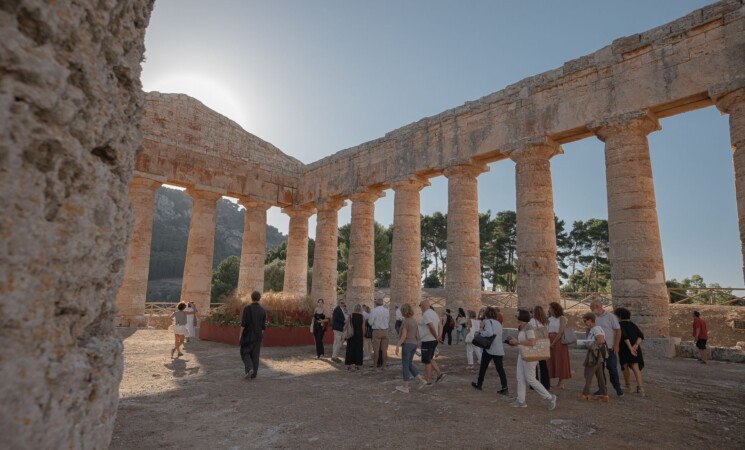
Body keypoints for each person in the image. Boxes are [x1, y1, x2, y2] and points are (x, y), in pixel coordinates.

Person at [507, 309, 557, 410]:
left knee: (530, 378)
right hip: (523, 354)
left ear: (522, 316)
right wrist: (515, 343)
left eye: (517, 315)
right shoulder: (522, 327)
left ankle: (550, 397)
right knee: (520, 377)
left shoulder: (528, 327)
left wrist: (517, 342)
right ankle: (521, 401)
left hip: (530, 355)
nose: (516, 316)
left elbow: (532, 342)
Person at [471, 307, 508, 395]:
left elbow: (489, 333)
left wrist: (480, 333)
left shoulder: (488, 322)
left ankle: (479, 384)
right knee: (500, 369)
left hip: (489, 348)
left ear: (487, 314)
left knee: (483, 367)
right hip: (498, 348)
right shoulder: (498, 323)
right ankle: (505, 387)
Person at [591, 300, 623, 396]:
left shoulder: (610, 317)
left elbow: (618, 330)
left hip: (610, 347)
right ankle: (602, 389)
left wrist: (616, 345)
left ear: (598, 306)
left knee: (612, 367)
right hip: (597, 347)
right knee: (599, 369)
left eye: (592, 308)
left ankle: (617, 388)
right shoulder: (592, 317)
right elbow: (589, 329)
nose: (591, 310)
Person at [394, 303, 426, 393]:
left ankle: (405, 386)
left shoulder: (405, 321)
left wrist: (397, 345)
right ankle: (421, 380)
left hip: (407, 344)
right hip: (414, 344)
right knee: (409, 364)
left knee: (405, 365)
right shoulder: (414, 320)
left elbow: (403, 336)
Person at [577, 312, 609, 402]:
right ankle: (604, 394)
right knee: (600, 376)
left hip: (594, 354)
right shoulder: (594, 329)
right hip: (597, 354)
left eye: (585, 321)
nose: (584, 323)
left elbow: (601, 340)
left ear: (590, 320)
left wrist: (589, 344)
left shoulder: (596, 329)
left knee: (588, 373)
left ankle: (585, 393)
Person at [614, 307, 645, 396]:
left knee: (625, 367)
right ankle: (640, 388)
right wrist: (636, 345)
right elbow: (641, 336)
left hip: (625, 349)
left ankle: (628, 386)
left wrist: (630, 348)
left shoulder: (619, 325)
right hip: (635, 349)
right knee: (636, 368)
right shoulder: (633, 324)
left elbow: (625, 337)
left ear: (619, 316)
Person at [239, 291, 267, 380]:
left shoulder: (247, 308)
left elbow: (243, 324)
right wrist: (260, 337)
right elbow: (263, 327)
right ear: (259, 298)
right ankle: (254, 374)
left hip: (248, 335)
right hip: (258, 336)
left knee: (245, 352)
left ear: (251, 298)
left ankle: (249, 369)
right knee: (255, 355)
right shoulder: (262, 310)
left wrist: (240, 335)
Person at [418, 299, 444, 385]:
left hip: (428, 340)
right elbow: (440, 325)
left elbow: (431, 326)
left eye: (421, 306)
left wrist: (436, 336)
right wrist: (439, 336)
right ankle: (439, 374)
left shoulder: (426, 314)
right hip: (433, 340)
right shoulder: (433, 313)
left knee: (426, 361)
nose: (420, 308)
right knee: (430, 358)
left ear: (423, 306)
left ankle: (428, 380)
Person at [547, 302, 571, 389]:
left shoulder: (562, 318)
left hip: (559, 342)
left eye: (550, 308)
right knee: (550, 361)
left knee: (560, 360)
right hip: (550, 340)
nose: (549, 310)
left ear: (554, 309)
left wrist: (553, 342)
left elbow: (561, 331)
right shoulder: (550, 319)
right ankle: (547, 380)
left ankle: (561, 382)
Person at [529, 305, 551, 391]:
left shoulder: (532, 321)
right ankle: (546, 384)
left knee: (534, 365)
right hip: (544, 343)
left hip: (535, 343)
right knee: (543, 365)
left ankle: (534, 384)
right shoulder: (546, 321)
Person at [344, 304, 365, 370]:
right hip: (359, 335)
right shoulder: (362, 317)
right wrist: (363, 335)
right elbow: (363, 327)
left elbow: (347, 325)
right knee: (359, 349)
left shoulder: (351, 316)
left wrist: (343, 332)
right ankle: (358, 365)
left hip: (351, 334)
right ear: (360, 309)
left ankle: (349, 365)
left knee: (350, 349)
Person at [370, 298, 390, 368]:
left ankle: (375, 366)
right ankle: (384, 365)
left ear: (376, 303)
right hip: (385, 331)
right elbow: (388, 320)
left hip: (377, 331)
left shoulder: (374, 311)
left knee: (376, 350)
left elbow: (370, 322)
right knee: (384, 350)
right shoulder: (386, 311)